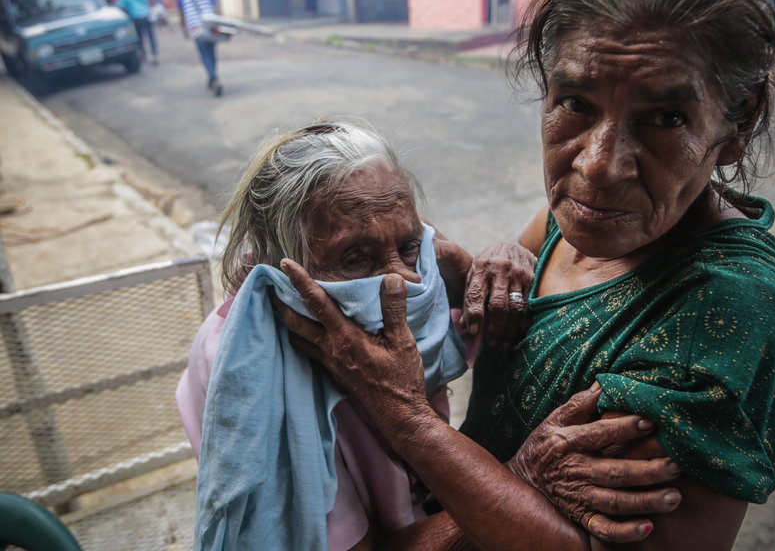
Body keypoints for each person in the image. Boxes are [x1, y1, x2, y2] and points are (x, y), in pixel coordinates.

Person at [278, 0, 775, 549]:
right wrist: (496, 255)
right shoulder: (591, 221)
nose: (599, 166)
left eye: (665, 118)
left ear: (739, 120)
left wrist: (402, 413)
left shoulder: (728, 308)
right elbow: (517, 279)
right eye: (576, 104)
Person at [176, 121, 683, 550]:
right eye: (357, 258)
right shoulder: (265, 376)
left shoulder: (400, 292)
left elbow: (465, 280)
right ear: (280, 273)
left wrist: (501, 256)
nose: (406, 281)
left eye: (408, 244)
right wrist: (517, 482)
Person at [178, 0, 222, 97]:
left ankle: (214, 77)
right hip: (210, 27)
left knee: (205, 55)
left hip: (196, 29)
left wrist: (184, 30)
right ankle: (213, 77)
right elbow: (216, 9)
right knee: (212, 53)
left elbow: (182, 15)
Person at [117, 0, 159, 66]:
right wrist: (150, 4)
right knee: (151, 37)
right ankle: (155, 56)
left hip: (135, 18)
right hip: (146, 16)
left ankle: (143, 56)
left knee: (139, 39)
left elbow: (121, 6)